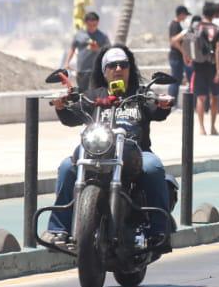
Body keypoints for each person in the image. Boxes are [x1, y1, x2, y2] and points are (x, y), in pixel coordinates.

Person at [46, 45, 173, 250]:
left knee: (153, 167)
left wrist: (162, 105)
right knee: (66, 167)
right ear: (104, 71)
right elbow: (72, 117)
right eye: (112, 65)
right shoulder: (93, 95)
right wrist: (62, 106)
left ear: (130, 69)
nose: (118, 69)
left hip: (136, 152)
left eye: (123, 64)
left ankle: (159, 231)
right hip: (97, 151)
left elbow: (156, 110)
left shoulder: (140, 95)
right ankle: (58, 229)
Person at [184, 4, 219, 136]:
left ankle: (201, 128)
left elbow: (186, 43)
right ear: (214, 15)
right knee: (215, 97)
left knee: (200, 98)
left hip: (198, 65)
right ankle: (212, 127)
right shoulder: (217, 29)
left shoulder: (195, 27)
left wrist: (188, 58)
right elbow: (218, 51)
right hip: (212, 66)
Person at [165, 5, 190, 101]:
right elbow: (173, 41)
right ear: (181, 14)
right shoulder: (174, 25)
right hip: (175, 57)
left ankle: (173, 102)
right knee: (175, 80)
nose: (186, 17)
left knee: (177, 80)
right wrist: (183, 52)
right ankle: (172, 103)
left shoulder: (177, 24)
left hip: (177, 57)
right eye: (185, 15)